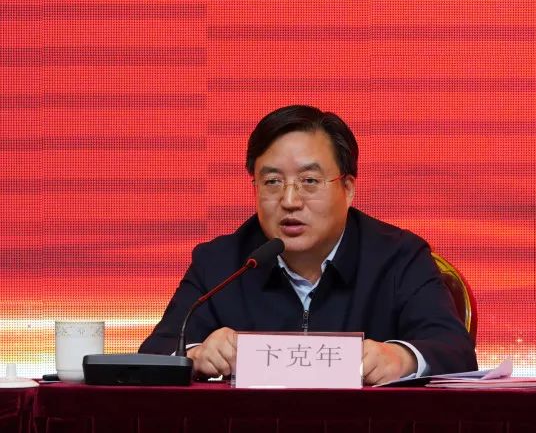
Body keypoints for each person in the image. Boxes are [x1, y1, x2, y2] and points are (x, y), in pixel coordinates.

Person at [140, 105, 477, 383]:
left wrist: (402, 357)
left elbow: (455, 350)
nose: (289, 201)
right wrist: (195, 354)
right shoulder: (220, 262)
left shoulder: (399, 256)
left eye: (309, 181)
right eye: (272, 182)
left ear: (348, 188)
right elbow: (154, 352)